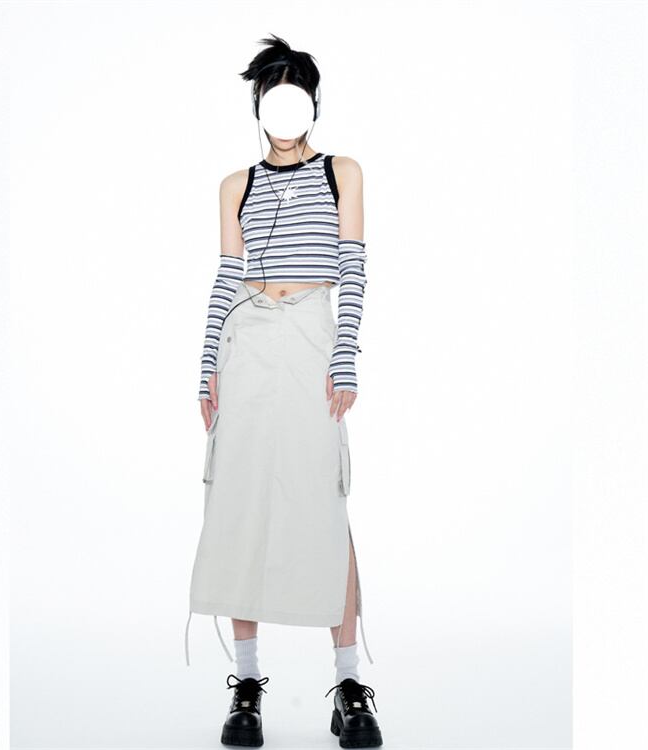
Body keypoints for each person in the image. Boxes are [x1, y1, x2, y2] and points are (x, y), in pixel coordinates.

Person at [186, 34, 383, 748]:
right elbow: (226, 276)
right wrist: (207, 362)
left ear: (312, 104)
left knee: (324, 498)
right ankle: (246, 684)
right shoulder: (235, 185)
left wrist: (345, 354)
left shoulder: (341, 172)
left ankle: (349, 684)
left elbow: (353, 267)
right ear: (259, 107)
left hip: (310, 336)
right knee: (241, 500)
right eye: (272, 95)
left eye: (294, 93)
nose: (284, 108)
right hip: (248, 339)